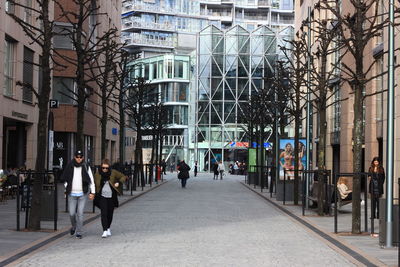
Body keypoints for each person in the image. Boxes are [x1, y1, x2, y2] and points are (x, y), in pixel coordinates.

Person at [60, 150, 95, 239]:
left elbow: (91, 179)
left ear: (83, 158)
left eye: (80, 157)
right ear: (74, 157)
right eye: (77, 157)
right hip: (72, 193)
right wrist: (66, 188)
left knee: (80, 213)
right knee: (71, 213)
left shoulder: (86, 166)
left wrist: (92, 192)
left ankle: (79, 232)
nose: (79, 159)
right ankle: (74, 226)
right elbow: (66, 179)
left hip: (83, 193)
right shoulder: (70, 166)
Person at [94, 159, 126, 238]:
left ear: (109, 168)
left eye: (106, 168)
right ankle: (104, 230)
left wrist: (118, 183)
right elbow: (94, 184)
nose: (104, 170)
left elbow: (123, 176)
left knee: (110, 214)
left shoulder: (113, 172)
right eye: (103, 168)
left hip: (112, 196)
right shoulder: (97, 174)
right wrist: (93, 193)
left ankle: (108, 227)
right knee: (103, 213)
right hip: (102, 196)